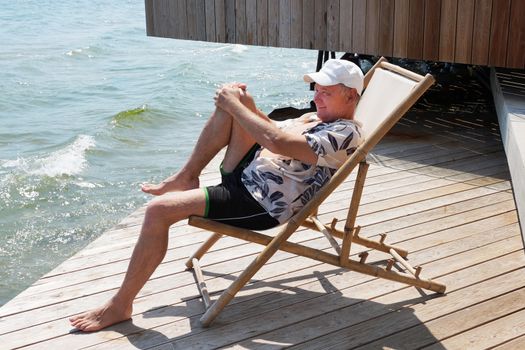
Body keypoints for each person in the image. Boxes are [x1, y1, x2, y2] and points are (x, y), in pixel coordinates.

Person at [69, 59, 364, 332]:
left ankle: (120, 305)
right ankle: (186, 177)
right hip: (250, 174)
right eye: (317, 90)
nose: (316, 98)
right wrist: (240, 103)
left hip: (257, 202)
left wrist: (236, 107)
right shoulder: (318, 118)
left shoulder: (346, 133)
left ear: (350, 96)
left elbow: (277, 141)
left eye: (326, 93)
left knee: (158, 210)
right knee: (239, 98)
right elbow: (273, 130)